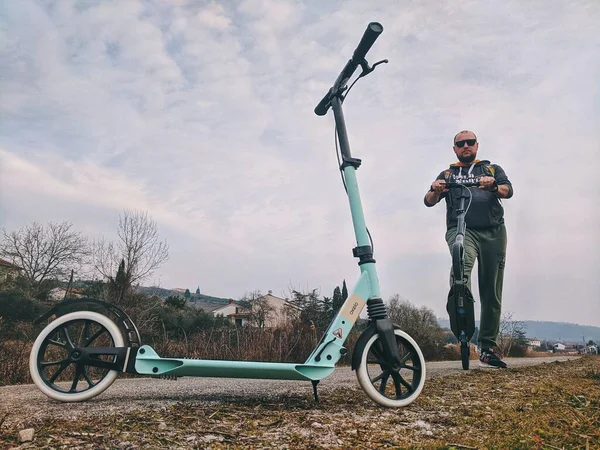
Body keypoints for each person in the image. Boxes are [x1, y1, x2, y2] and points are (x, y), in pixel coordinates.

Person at [424, 130, 513, 368]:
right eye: (460, 143)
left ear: (476, 145)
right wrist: (435, 188)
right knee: (460, 271)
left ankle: (487, 347)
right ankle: (463, 331)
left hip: (493, 231)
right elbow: (429, 200)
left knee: (491, 289)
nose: (466, 146)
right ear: (454, 149)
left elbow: (508, 191)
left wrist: (493, 185)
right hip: (461, 228)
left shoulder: (491, 169)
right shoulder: (448, 173)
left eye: (470, 142)